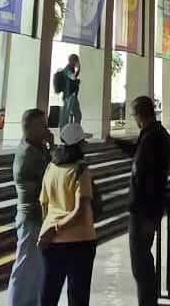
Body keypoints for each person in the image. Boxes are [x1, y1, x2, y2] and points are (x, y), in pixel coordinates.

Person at [113, 96, 170, 306]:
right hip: (146, 209)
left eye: (134, 114)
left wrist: (148, 213)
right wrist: (118, 144)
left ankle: (147, 303)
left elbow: (148, 174)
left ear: (139, 115)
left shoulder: (153, 137)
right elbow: (140, 156)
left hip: (144, 210)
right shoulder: (152, 134)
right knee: (143, 262)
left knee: (141, 264)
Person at [38, 122, 98, 306]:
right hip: (81, 240)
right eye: (84, 142)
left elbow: (44, 203)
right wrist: (57, 227)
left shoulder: (51, 168)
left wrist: (50, 227)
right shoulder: (81, 170)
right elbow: (80, 210)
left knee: (49, 292)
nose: (86, 146)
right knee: (78, 295)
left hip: (52, 241)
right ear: (79, 145)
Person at [7, 109, 52, 306]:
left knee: (35, 266)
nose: (46, 129)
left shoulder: (35, 146)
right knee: (24, 265)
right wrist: (53, 146)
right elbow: (53, 173)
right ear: (31, 128)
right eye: (42, 125)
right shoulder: (29, 155)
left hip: (38, 217)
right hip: (31, 218)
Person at [58, 55, 82, 127]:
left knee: (77, 115)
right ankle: (64, 133)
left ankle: (75, 130)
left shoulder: (70, 69)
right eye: (76, 60)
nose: (78, 62)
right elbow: (73, 77)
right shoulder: (68, 69)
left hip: (72, 96)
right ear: (73, 61)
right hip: (69, 96)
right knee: (66, 116)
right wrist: (79, 68)